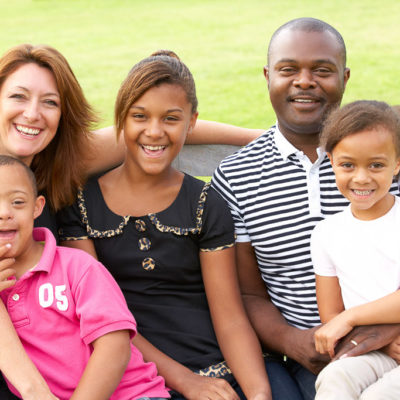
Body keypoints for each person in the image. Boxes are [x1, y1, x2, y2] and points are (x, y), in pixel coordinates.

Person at [0, 43, 262, 399]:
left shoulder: (63, 163)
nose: (33, 114)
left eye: (50, 102)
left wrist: (266, 140)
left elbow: (162, 125)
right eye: (18, 96)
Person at [211, 17, 400, 400]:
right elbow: (248, 294)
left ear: (345, 77)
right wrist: (295, 343)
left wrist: (389, 332)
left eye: (323, 70)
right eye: (288, 69)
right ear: (267, 76)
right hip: (302, 353)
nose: (304, 81)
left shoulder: (384, 160)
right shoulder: (237, 176)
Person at [0, 154, 170, 400]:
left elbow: (114, 346)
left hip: (132, 395)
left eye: (17, 202)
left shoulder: (76, 267)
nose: (4, 213)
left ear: (37, 207)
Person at [311, 100, 400, 399]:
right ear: (331, 160)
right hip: (369, 347)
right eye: (348, 165)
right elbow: (332, 316)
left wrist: (351, 318)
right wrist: (380, 340)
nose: (361, 178)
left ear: (397, 163)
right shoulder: (327, 233)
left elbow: (343, 318)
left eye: (376, 165)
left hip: (373, 340)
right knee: (335, 378)